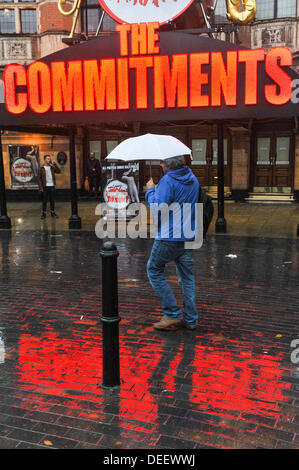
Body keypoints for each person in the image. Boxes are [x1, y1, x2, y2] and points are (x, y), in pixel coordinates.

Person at [146, 155, 199, 331]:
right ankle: (190, 319)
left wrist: (150, 191)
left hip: (169, 236)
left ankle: (172, 313)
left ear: (168, 165)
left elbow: (157, 210)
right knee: (187, 278)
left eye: (161, 161)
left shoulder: (167, 180)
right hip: (188, 234)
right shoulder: (192, 178)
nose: (160, 164)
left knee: (153, 270)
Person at [38, 155, 61, 219]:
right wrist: (41, 188)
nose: (49, 160)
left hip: (52, 186)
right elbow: (39, 179)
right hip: (45, 186)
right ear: (45, 159)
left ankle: (52, 213)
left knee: (52, 200)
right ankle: (43, 214)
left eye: (49, 159)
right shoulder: (41, 168)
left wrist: (55, 164)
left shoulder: (52, 167)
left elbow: (59, 171)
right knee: (44, 201)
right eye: (48, 159)